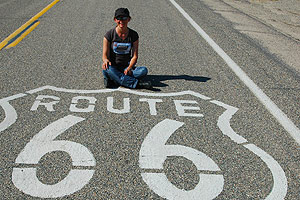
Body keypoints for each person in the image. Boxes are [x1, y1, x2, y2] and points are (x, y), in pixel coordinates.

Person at [102, 8, 152, 89]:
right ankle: (137, 84)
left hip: (126, 67)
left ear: (129, 19)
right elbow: (104, 55)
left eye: (124, 18)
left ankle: (115, 79)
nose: (121, 21)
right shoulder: (109, 35)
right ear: (115, 19)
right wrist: (106, 60)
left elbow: (135, 56)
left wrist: (129, 68)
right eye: (119, 18)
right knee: (107, 69)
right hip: (113, 67)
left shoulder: (133, 35)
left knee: (143, 71)